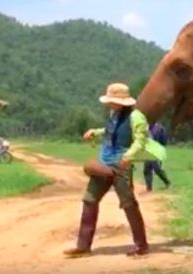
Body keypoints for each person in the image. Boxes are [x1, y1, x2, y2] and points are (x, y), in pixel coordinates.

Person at [63, 83, 166, 258]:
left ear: (122, 101)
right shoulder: (114, 114)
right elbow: (111, 131)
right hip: (103, 162)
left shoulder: (136, 117)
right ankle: (83, 246)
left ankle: (141, 245)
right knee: (89, 200)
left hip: (121, 165)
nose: (109, 104)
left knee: (128, 204)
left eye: (112, 101)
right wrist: (95, 132)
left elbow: (140, 140)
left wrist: (129, 156)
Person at [143, 122, 171, 192]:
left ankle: (167, 182)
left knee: (157, 169)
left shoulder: (160, 128)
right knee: (147, 169)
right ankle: (149, 187)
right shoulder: (146, 128)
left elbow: (164, 141)